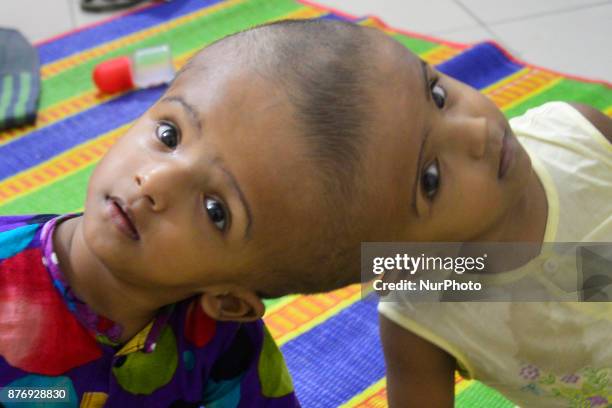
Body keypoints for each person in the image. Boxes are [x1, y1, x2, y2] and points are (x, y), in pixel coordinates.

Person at [1, 18, 610, 407]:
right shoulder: (427, 293)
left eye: (437, 91)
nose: (154, 183)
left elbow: (568, 275)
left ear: (235, 301)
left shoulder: (575, 136)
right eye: (168, 133)